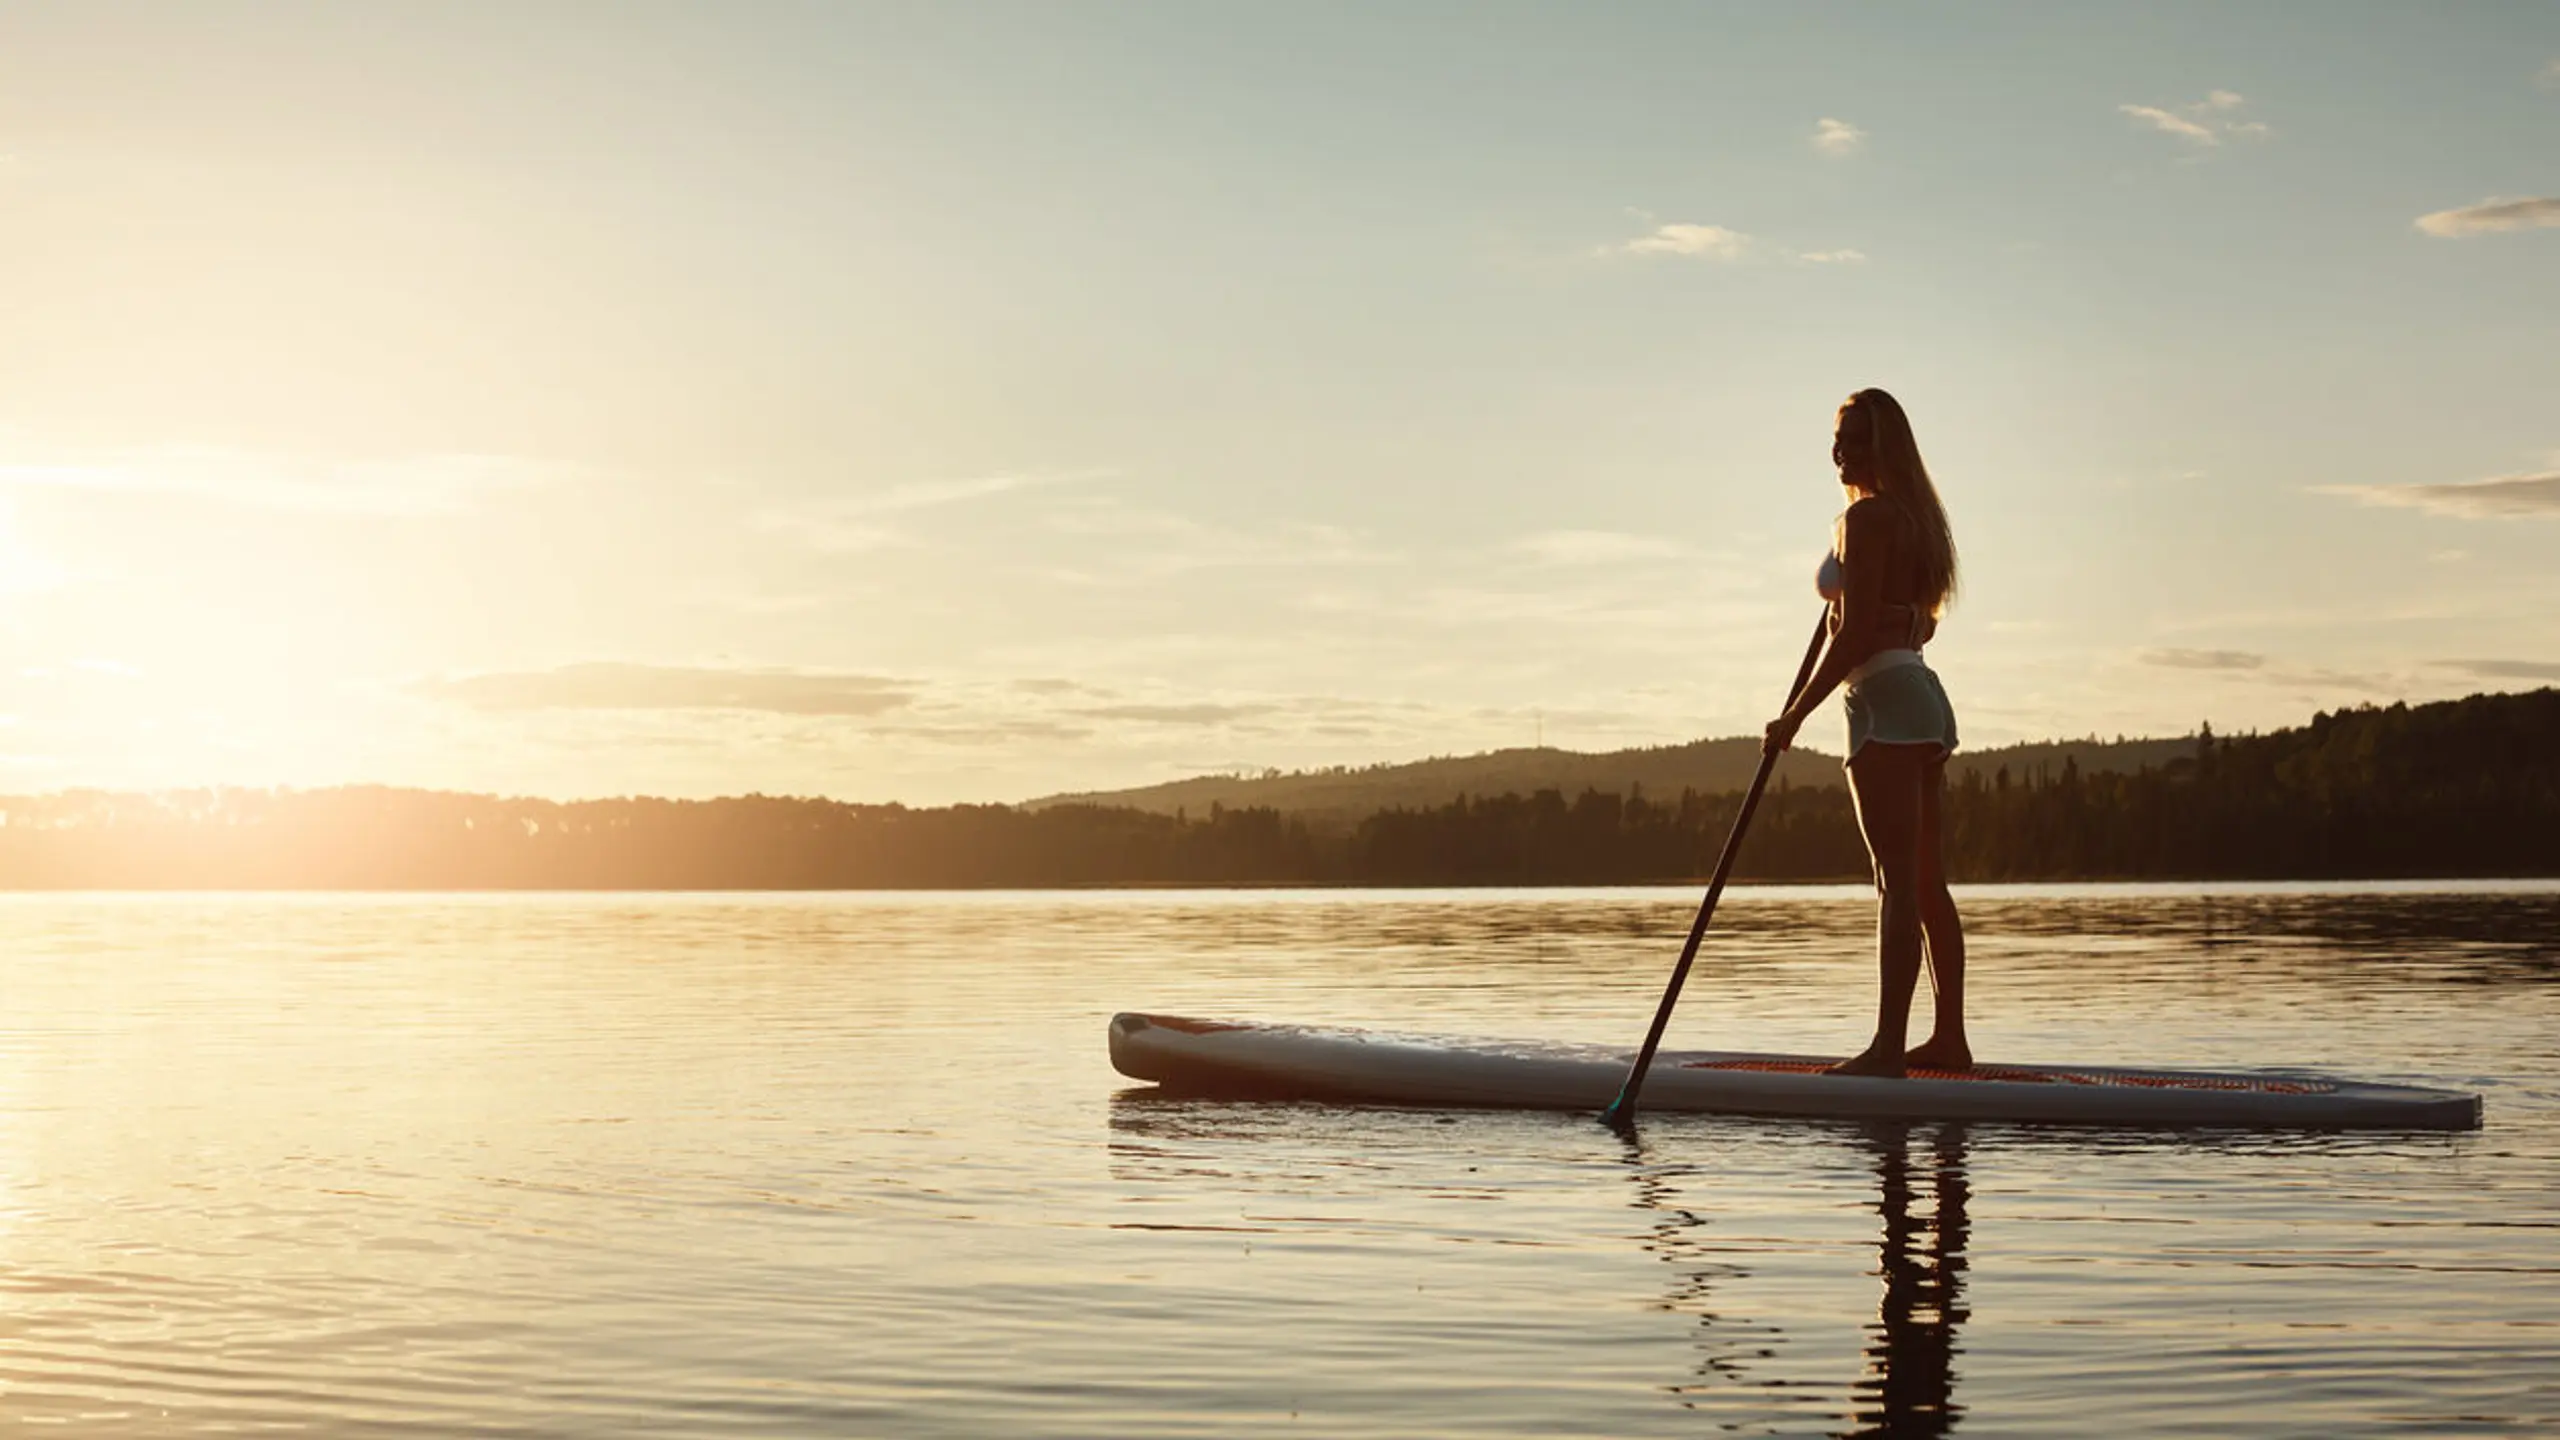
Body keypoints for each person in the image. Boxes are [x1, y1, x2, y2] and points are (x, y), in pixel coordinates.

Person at [1762, 388, 1967, 1077]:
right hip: (1924, 697)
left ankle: (1887, 1049)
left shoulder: (1868, 519)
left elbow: (1850, 638)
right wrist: (1868, 623)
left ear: (1883, 446)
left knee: (1896, 884)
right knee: (1926, 881)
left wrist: (1795, 717)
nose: (1838, 449)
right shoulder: (1917, 522)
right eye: (1837, 435)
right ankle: (1949, 1041)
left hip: (1881, 702)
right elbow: (1915, 621)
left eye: (1853, 437)